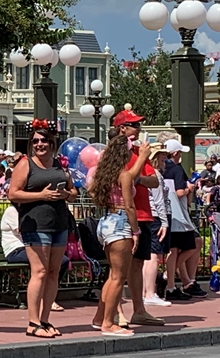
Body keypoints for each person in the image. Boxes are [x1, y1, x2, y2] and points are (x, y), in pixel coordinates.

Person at [8, 122, 78, 338]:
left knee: (53, 272)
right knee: (39, 271)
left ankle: (45, 319)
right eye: (36, 141)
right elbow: (13, 193)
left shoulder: (59, 165)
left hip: (59, 223)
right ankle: (33, 322)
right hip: (35, 224)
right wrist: (41, 195)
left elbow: (73, 192)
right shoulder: (25, 164)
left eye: (44, 140)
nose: (40, 144)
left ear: (52, 143)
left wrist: (66, 195)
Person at [103, 109, 164, 327]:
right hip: (122, 215)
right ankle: (115, 312)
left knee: (137, 264)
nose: (138, 129)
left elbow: (153, 181)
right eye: (134, 125)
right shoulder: (114, 154)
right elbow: (121, 179)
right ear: (122, 128)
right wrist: (136, 174)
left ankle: (139, 310)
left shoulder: (139, 151)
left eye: (139, 125)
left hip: (143, 214)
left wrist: (136, 178)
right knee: (117, 269)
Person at [89, 136, 149, 337]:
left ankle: (100, 317)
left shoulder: (104, 174)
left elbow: (93, 192)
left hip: (106, 221)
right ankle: (108, 323)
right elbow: (130, 206)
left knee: (112, 275)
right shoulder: (123, 175)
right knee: (118, 277)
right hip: (121, 221)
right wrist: (136, 231)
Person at [0, 204, 68, 311]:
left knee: (63, 261)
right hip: (16, 250)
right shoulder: (12, 211)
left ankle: (48, 296)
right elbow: (23, 231)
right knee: (43, 264)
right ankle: (43, 299)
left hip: (31, 247)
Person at [162, 139, 206, 299]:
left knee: (173, 250)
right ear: (175, 153)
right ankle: (168, 276)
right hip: (178, 216)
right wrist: (190, 189)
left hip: (166, 213)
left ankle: (176, 283)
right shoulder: (177, 169)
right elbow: (181, 193)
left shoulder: (160, 169)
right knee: (192, 244)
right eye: (179, 153)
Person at [142, 143, 172, 307]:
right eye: (161, 155)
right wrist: (164, 222)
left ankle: (145, 292)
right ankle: (150, 293)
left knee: (148, 256)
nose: (164, 158)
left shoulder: (146, 172)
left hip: (149, 216)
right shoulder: (155, 175)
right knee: (154, 255)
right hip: (155, 217)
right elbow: (159, 200)